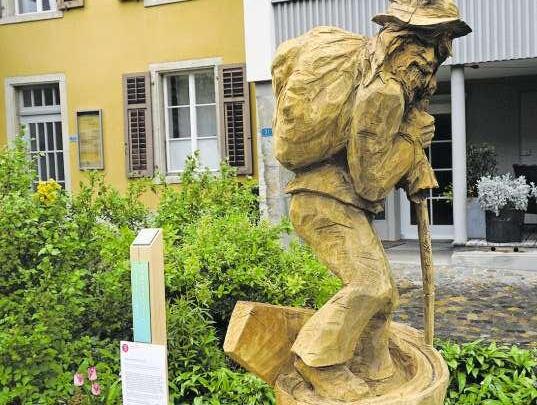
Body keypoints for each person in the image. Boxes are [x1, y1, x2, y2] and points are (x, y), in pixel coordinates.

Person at [285, 0, 471, 401]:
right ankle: (318, 359)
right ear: (400, 41)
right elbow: (370, 182)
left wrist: (410, 150)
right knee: (371, 285)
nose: (430, 59)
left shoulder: (390, 86)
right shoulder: (383, 91)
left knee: (386, 295)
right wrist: (410, 142)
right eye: (425, 43)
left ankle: (375, 365)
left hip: (335, 200)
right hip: (323, 201)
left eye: (438, 47)